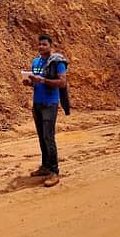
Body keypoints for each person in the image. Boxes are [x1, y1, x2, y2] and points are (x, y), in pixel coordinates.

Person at [23, 34, 68, 187]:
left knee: (49, 137)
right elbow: (36, 82)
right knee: (42, 137)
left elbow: (62, 83)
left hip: (50, 104)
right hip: (37, 103)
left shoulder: (57, 62)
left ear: (50, 46)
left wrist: (42, 80)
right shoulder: (36, 61)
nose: (41, 47)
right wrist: (29, 83)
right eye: (40, 44)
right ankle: (45, 166)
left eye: (44, 44)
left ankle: (54, 172)